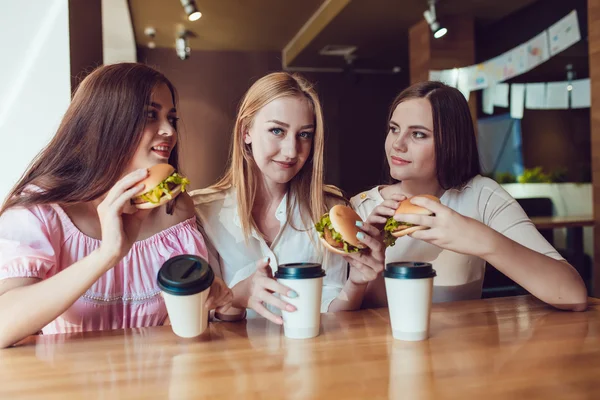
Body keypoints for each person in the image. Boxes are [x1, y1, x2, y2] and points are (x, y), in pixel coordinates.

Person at [0, 63, 232, 348]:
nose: (169, 131)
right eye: (150, 115)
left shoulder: (175, 207)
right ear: (106, 122)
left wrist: (203, 301)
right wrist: (107, 254)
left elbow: (173, 329)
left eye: (171, 118)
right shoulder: (42, 210)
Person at [350, 80, 587, 311]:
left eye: (418, 134)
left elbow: (573, 295)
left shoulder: (481, 195)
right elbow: (343, 314)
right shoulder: (362, 208)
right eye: (394, 129)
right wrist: (373, 265)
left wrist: (483, 239)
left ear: (450, 142)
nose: (397, 144)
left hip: (465, 348)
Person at [192, 72, 385, 324]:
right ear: (245, 132)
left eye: (304, 134)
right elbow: (201, 321)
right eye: (277, 131)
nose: (292, 151)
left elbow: (334, 317)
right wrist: (235, 297)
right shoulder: (201, 213)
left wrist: (356, 283)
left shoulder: (330, 210)